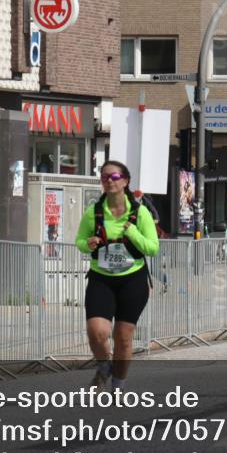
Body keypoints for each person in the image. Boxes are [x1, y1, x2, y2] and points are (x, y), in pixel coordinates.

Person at [75, 161, 159, 392]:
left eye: (114, 176)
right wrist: (88, 243)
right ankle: (104, 366)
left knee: (122, 336)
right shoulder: (93, 212)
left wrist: (131, 232)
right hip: (102, 278)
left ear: (125, 181)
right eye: (104, 177)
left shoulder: (140, 213)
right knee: (97, 332)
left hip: (132, 280)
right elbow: (80, 241)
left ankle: (119, 384)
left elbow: (152, 248)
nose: (109, 181)